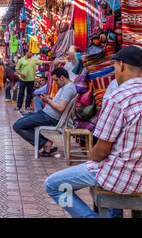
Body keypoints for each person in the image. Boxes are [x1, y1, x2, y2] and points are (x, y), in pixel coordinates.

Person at [45, 45, 142, 218]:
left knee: (54, 185)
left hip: (121, 175)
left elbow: (101, 150)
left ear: (121, 65)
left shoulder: (119, 96)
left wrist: (92, 160)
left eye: (113, 67)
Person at [12, 67, 77, 157]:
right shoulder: (67, 87)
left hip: (49, 117)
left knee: (17, 126)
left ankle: (45, 143)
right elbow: (61, 103)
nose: (56, 83)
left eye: (56, 80)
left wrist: (47, 101)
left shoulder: (68, 89)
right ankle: (45, 143)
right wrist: (50, 99)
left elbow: (61, 108)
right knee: (20, 123)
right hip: (46, 114)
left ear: (62, 77)